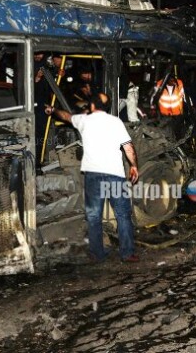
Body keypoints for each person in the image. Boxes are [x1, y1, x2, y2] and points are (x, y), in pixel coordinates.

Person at [45, 93, 139, 262]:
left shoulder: (84, 120)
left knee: (94, 216)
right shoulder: (116, 122)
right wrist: (134, 166)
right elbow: (128, 146)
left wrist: (53, 110)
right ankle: (127, 253)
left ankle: (97, 254)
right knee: (123, 215)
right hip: (115, 174)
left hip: (93, 175)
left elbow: (65, 116)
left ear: (92, 106)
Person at [34, 53, 64, 165]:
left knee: (45, 133)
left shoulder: (49, 68)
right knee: (38, 133)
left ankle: (43, 157)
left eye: (41, 54)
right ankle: (37, 159)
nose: (38, 56)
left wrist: (60, 75)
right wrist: (37, 78)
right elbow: (24, 88)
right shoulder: (29, 65)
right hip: (35, 105)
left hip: (47, 105)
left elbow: (54, 88)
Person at [150, 74, 187, 139]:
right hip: (164, 114)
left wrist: (191, 105)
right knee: (166, 132)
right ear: (166, 80)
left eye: (174, 80)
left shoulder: (179, 84)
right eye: (171, 80)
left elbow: (185, 96)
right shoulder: (159, 85)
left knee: (178, 131)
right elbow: (153, 97)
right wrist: (152, 108)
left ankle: (179, 144)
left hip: (177, 113)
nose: (173, 82)